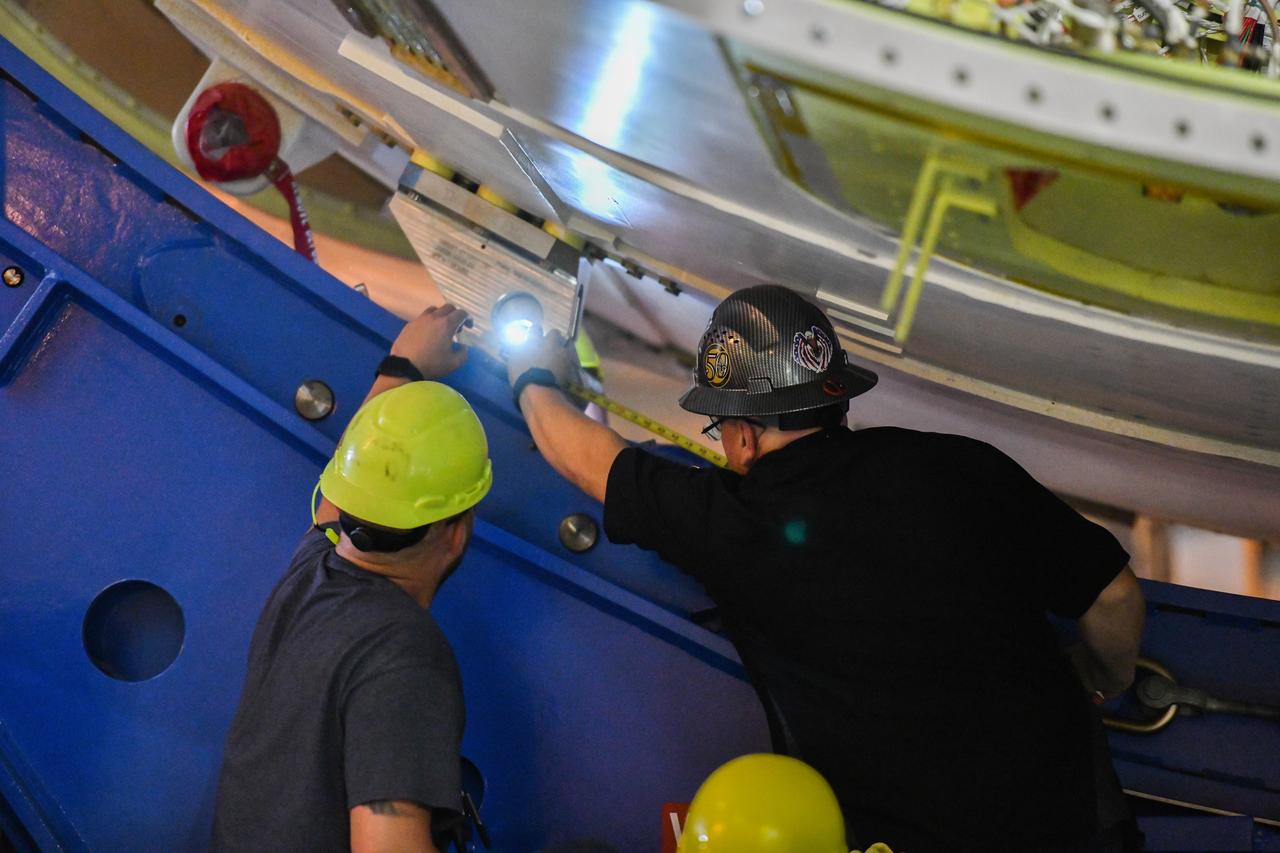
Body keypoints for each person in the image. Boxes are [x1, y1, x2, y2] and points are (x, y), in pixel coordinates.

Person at [507, 285, 1146, 852]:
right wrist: (1102, 674)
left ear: (743, 436)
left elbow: (586, 458)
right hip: (1083, 830)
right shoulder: (964, 466)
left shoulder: (733, 523)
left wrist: (529, 374)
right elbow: (1114, 593)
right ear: (835, 401)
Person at [213, 305, 489, 853]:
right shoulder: (404, 656)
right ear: (457, 532)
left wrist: (403, 363)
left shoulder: (314, 574)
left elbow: (342, 497)